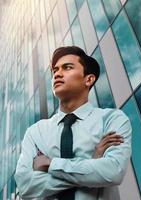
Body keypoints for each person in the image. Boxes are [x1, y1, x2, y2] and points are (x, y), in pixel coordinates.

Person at [14, 46, 132, 200]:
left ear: (88, 79)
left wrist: (51, 164)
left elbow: (113, 172)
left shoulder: (112, 119)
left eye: (67, 68)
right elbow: (25, 187)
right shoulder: (36, 132)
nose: (57, 74)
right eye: (55, 70)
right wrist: (91, 165)